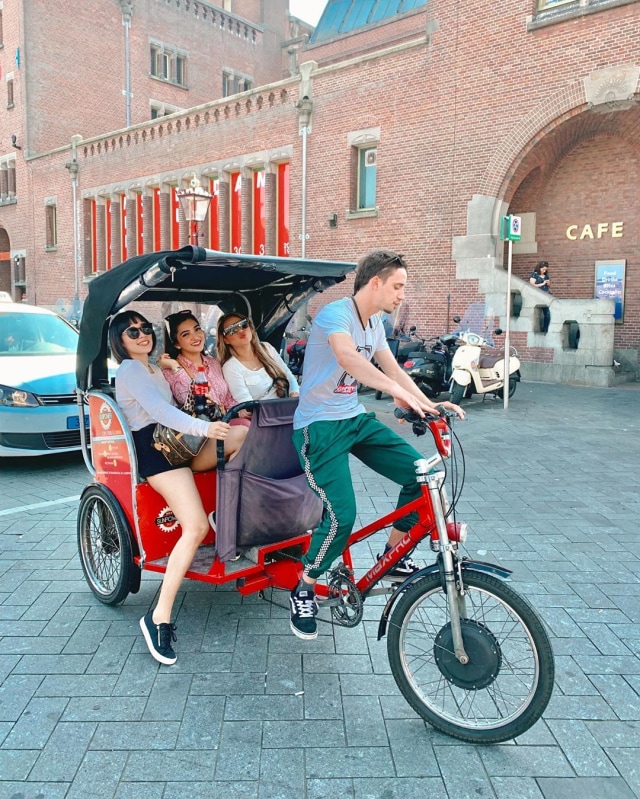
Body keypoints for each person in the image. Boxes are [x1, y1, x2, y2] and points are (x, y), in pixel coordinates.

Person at [289, 249, 465, 640]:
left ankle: (393, 555)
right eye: (398, 286)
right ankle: (304, 584)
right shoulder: (337, 315)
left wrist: (427, 403)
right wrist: (394, 393)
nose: (402, 295)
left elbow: (393, 369)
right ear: (376, 283)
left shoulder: (376, 324)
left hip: (354, 420)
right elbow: (348, 358)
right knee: (341, 516)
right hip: (318, 429)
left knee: (424, 474)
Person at [109, 310, 232, 666]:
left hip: (177, 444)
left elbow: (182, 400)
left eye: (145, 328)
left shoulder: (151, 367)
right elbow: (161, 411)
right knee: (194, 527)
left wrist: (173, 368)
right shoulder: (130, 370)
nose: (142, 334)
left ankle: (228, 514)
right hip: (157, 453)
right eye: (132, 332)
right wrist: (205, 429)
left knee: (242, 437)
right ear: (120, 341)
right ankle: (158, 617)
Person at [158, 309, 249, 470]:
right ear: (176, 343)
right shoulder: (171, 372)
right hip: (197, 443)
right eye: (186, 334)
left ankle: (238, 487)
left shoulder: (214, 363)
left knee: (257, 427)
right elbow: (193, 402)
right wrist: (175, 366)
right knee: (243, 432)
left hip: (223, 428)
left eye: (197, 329)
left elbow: (227, 399)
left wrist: (244, 410)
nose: (195, 337)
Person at [217, 313, 300, 403]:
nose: (240, 330)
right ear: (225, 339)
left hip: (289, 407)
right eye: (232, 329)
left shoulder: (266, 348)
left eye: (243, 324)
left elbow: (289, 376)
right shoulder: (231, 367)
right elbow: (246, 403)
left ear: (251, 328)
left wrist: (294, 395)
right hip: (264, 415)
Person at [530, 261, 551, 333]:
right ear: (539, 268)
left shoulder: (546, 275)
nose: (544, 271)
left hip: (545, 295)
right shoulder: (534, 275)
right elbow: (532, 285)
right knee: (536, 314)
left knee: (547, 313)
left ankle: (545, 328)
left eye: (545, 270)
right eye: (543, 269)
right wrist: (542, 284)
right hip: (537, 295)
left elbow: (548, 285)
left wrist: (548, 283)